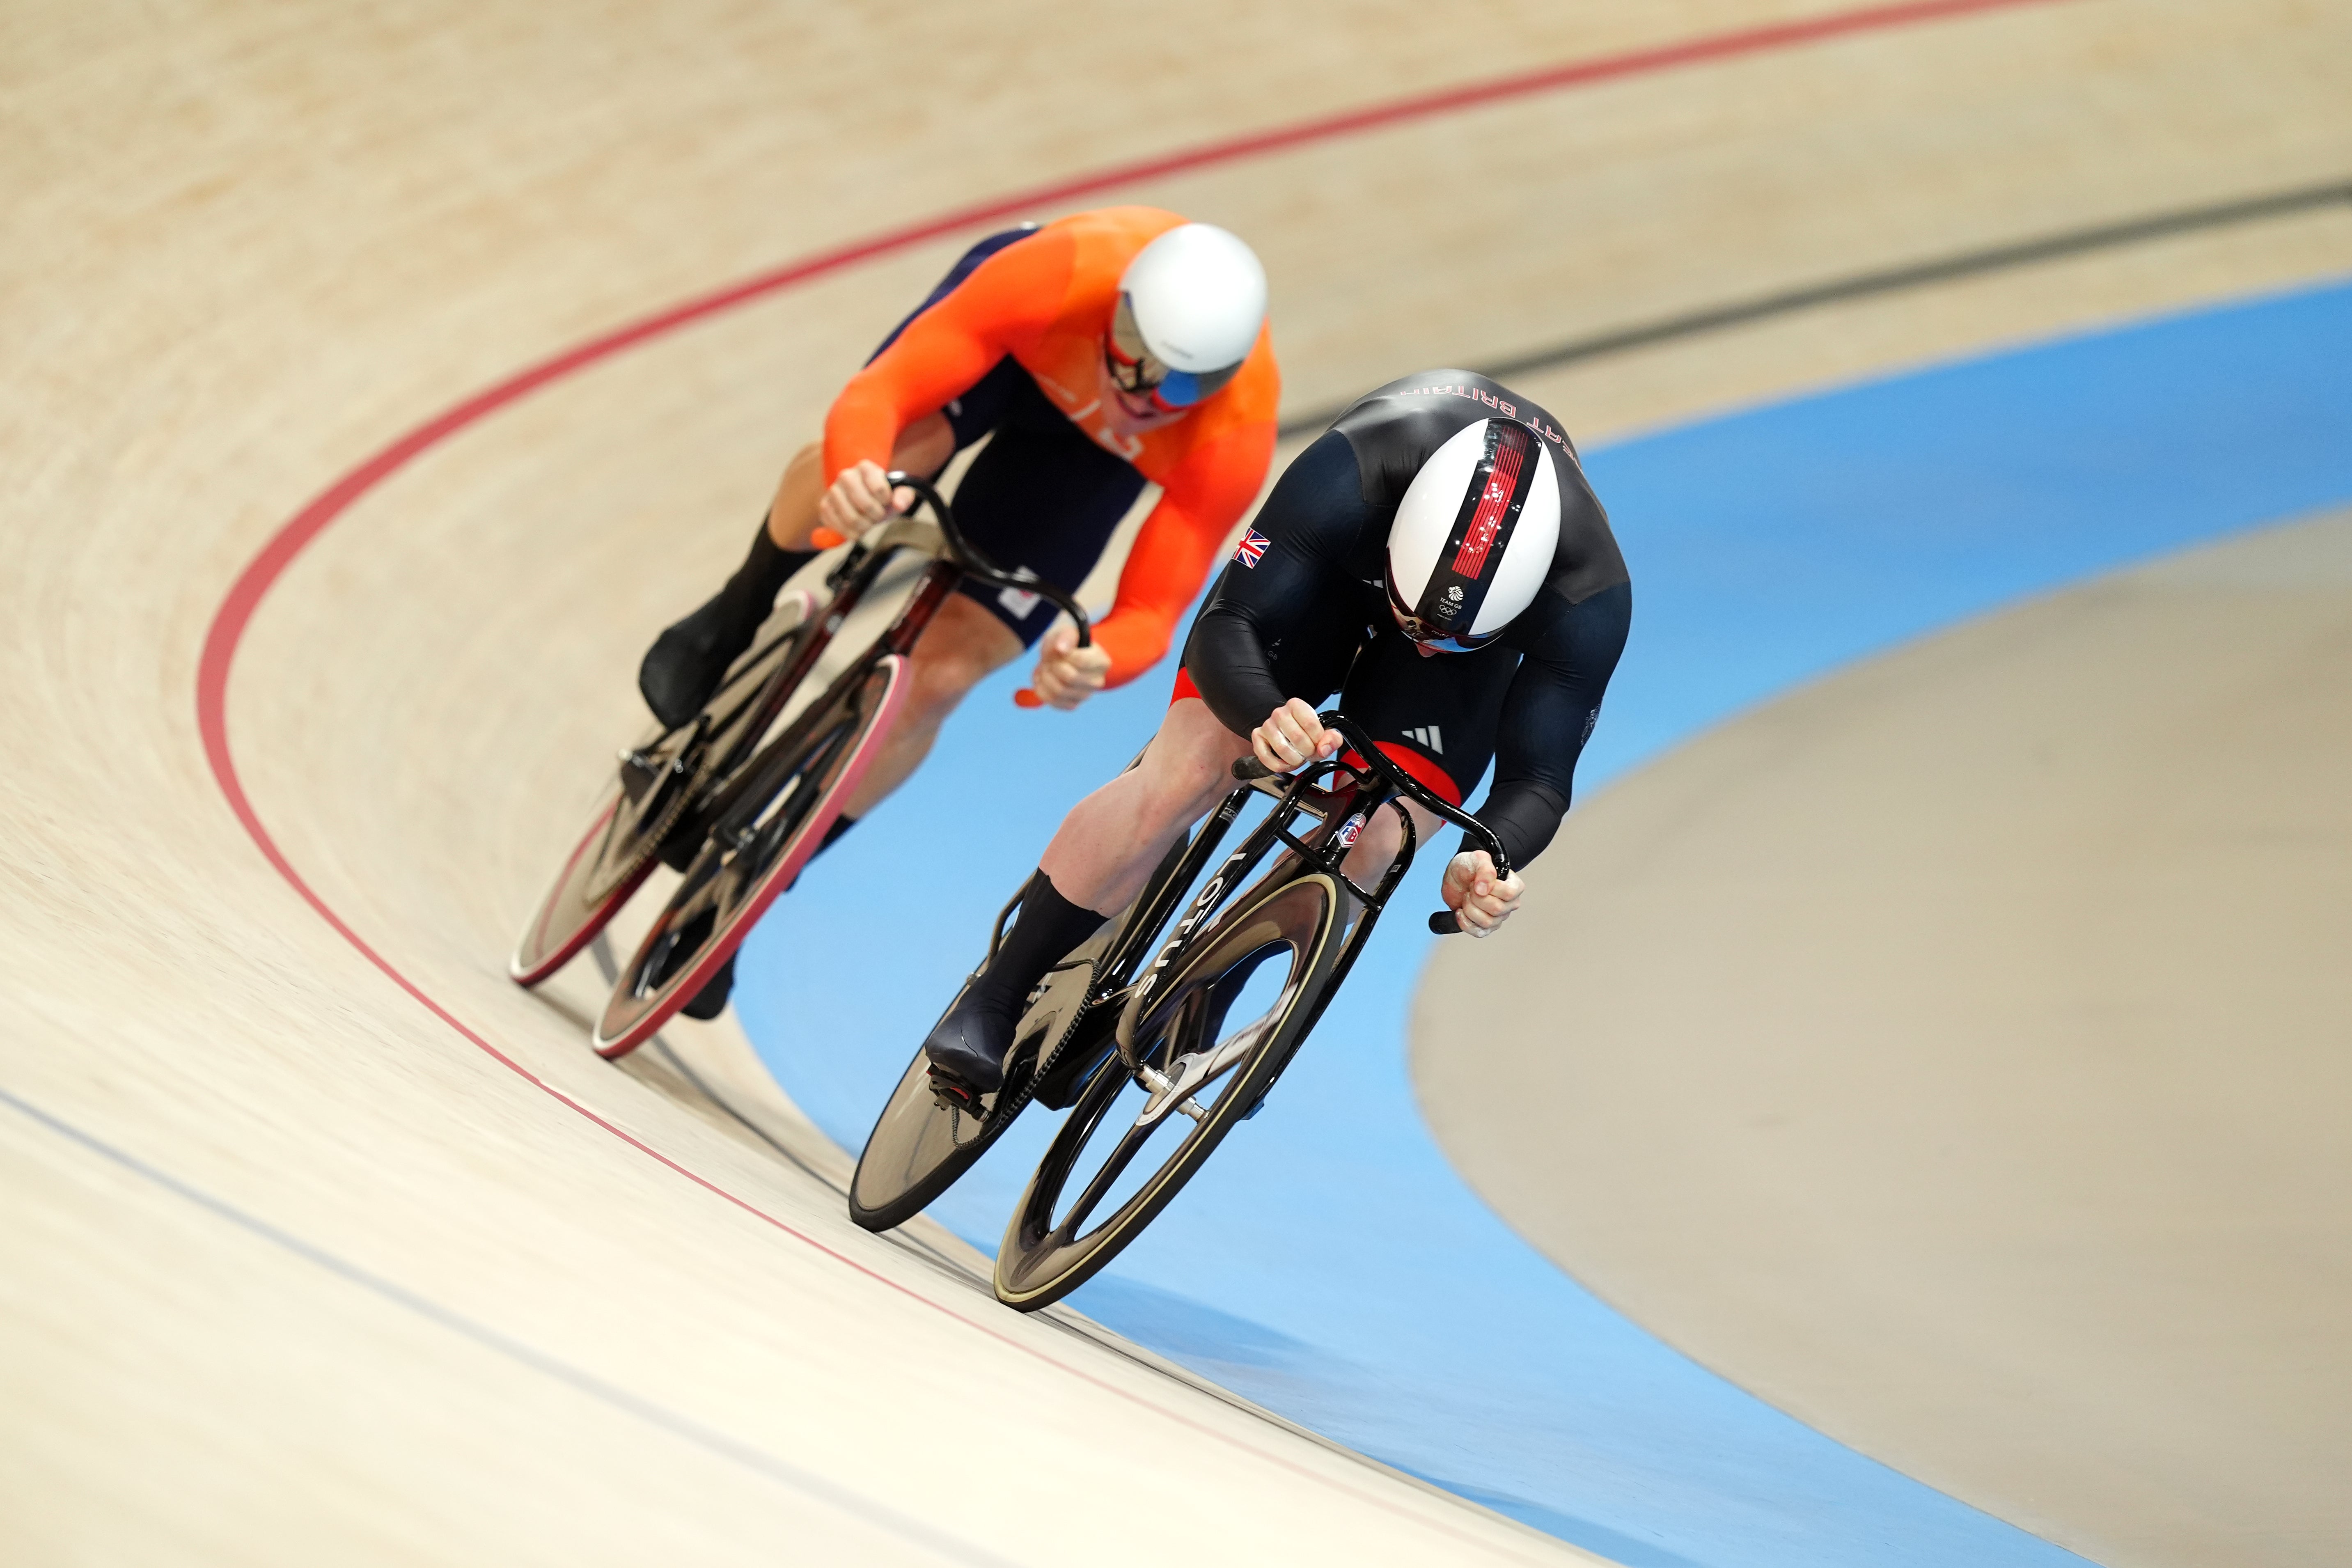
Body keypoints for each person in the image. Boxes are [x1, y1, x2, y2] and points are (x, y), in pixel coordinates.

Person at [638, 208, 1282, 1016]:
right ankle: (733, 615)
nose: (1148, 393)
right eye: (1137, 359)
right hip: (1011, 358)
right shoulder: (1050, 276)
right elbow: (881, 393)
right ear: (1117, 312)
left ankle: (753, 892)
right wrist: (855, 469)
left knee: (938, 677)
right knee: (887, 464)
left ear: (1220, 382)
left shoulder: (1234, 429)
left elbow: (1154, 607)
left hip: (1083, 464)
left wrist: (1095, 658)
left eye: (1183, 385)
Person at [920, 369, 1632, 1091]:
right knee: (1192, 769)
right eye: (1412, 619)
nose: (1420, 641)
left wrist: (1491, 854)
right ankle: (999, 993)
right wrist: (1265, 712)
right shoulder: (1353, 469)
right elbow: (1230, 622)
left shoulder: (1589, 594)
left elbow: (1538, 780)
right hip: (1331, 583)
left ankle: (1217, 972)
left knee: (1380, 839)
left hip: (1457, 664)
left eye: (1447, 636)